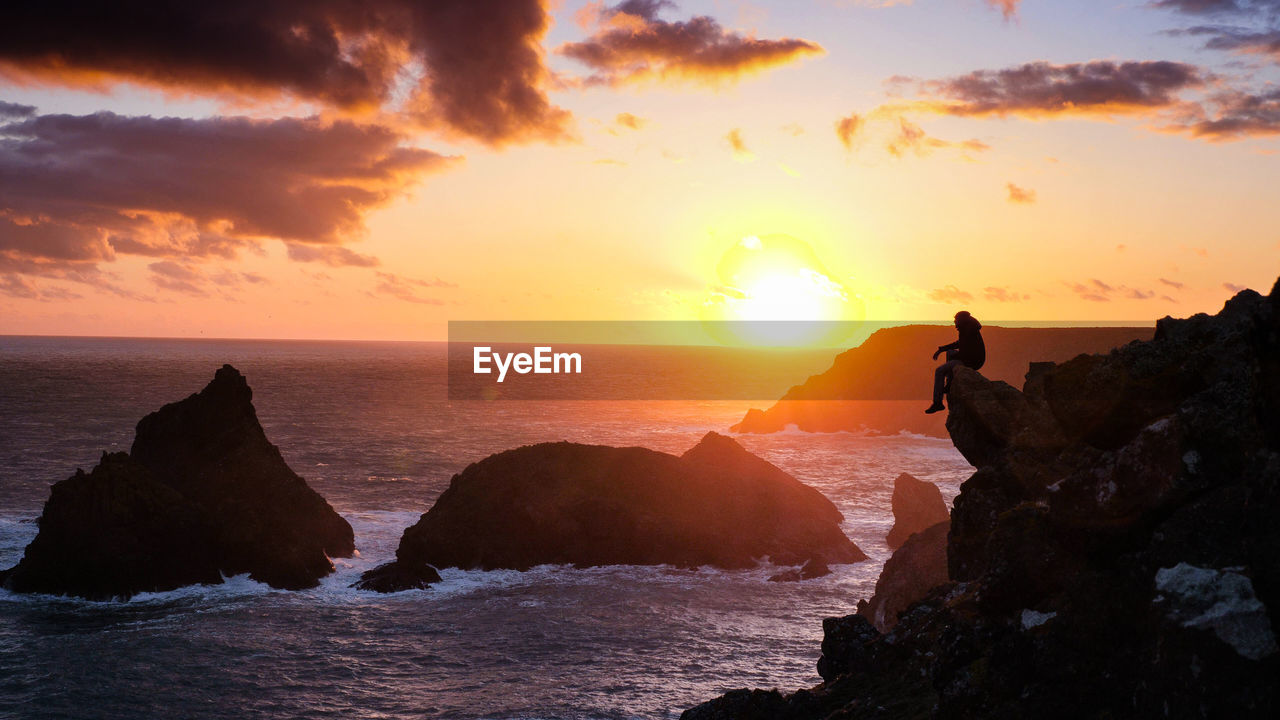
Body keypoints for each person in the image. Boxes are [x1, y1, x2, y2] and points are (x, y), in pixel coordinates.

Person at [925, 310, 985, 414]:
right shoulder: (968, 328)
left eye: (955, 321)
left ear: (961, 320)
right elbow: (960, 344)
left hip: (971, 361)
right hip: (971, 359)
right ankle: (950, 383)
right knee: (950, 352)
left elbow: (966, 349)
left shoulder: (968, 331)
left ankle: (937, 403)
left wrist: (954, 356)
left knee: (939, 371)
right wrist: (942, 349)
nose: (954, 323)